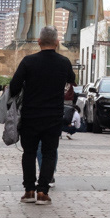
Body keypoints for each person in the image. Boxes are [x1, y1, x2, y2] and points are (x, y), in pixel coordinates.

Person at [8, 26, 76, 204]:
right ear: (56, 42)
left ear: (38, 42)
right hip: (53, 116)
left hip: (30, 115)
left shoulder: (28, 61)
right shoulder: (64, 62)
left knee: (29, 152)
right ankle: (43, 192)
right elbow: (72, 80)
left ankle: (29, 190)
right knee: (49, 153)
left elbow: (14, 87)